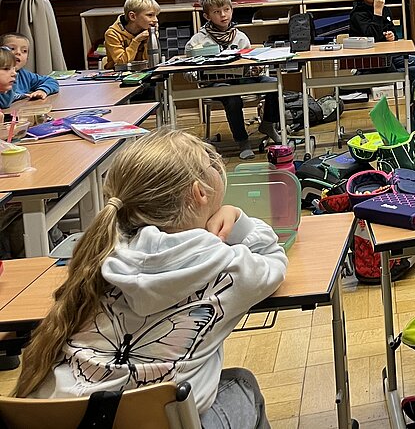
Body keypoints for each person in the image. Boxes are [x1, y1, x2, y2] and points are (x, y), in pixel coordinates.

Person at [16, 130, 287, 429]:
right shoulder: (225, 266)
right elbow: (272, 259)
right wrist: (236, 217)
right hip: (159, 421)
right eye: (211, 161)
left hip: (61, 418)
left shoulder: (100, 254)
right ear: (199, 192)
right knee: (243, 385)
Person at [186, 0, 267, 160]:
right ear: (207, 16)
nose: (223, 15)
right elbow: (188, 70)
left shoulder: (240, 37)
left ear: (231, 10)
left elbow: (250, 60)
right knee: (232, 97)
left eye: (226, 10)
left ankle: (268, 125)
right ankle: (243, 141)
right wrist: (195, 74)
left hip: (241, 79)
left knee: (272, 83)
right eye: (217, 12)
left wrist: (256, 68)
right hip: (216, 83)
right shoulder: (198, 40)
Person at [103, 0, 160, 69]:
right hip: (118, 73)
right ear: (132, 16)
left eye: (156, 15)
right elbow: (121, 64)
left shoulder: (149, 31)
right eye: (150, 15)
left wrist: (150, 39)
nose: (156, 20)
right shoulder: (112, 34)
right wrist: (136, 41)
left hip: (142, 72)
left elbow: (151, 62)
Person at [0, 32, 59, 105]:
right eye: (12, 49)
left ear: (27, 58)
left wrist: (42, 90)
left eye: (24, 51)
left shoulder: (25, 75)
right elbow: (4, 103)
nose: (18, 52)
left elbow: (51, 81)